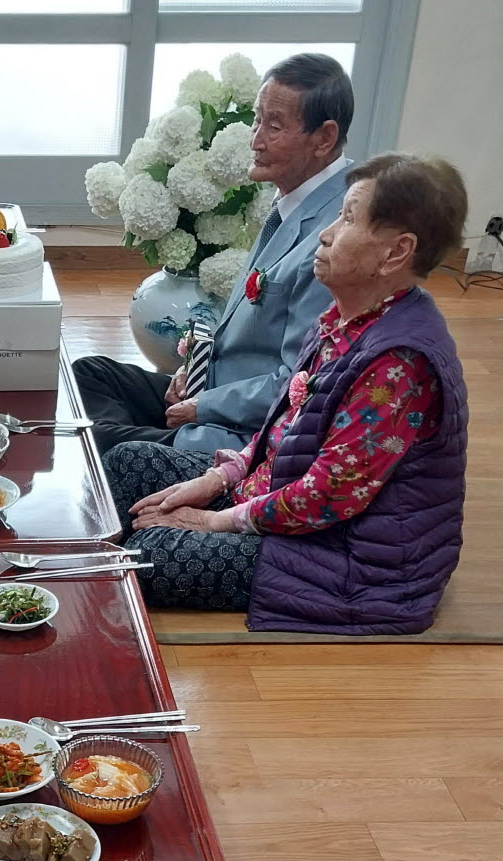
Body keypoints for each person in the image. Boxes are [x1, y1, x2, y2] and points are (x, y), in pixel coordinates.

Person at [104, 155, 469, 635]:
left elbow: (326, 496)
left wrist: (213, 522)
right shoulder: (344, 318)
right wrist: (217, 478)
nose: (326, 234)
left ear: (395, 253)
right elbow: (281, 426)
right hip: (276, 492)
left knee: (148, 554)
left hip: (349, 558)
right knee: (127, 462)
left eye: (348, 218)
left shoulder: (398, 363)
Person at [75, 52, 354, 458]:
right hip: (211, 390)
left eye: (274, 126)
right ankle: (138, 453)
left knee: (97, 442)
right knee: (88, 375)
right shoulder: (294, 198)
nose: (255, 140)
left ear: (324, 138)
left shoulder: (335, 238)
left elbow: (298, 383)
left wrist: (203, 406)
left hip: (241, 432)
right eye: (257, 120)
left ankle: (149, 460)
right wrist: (191, 371)